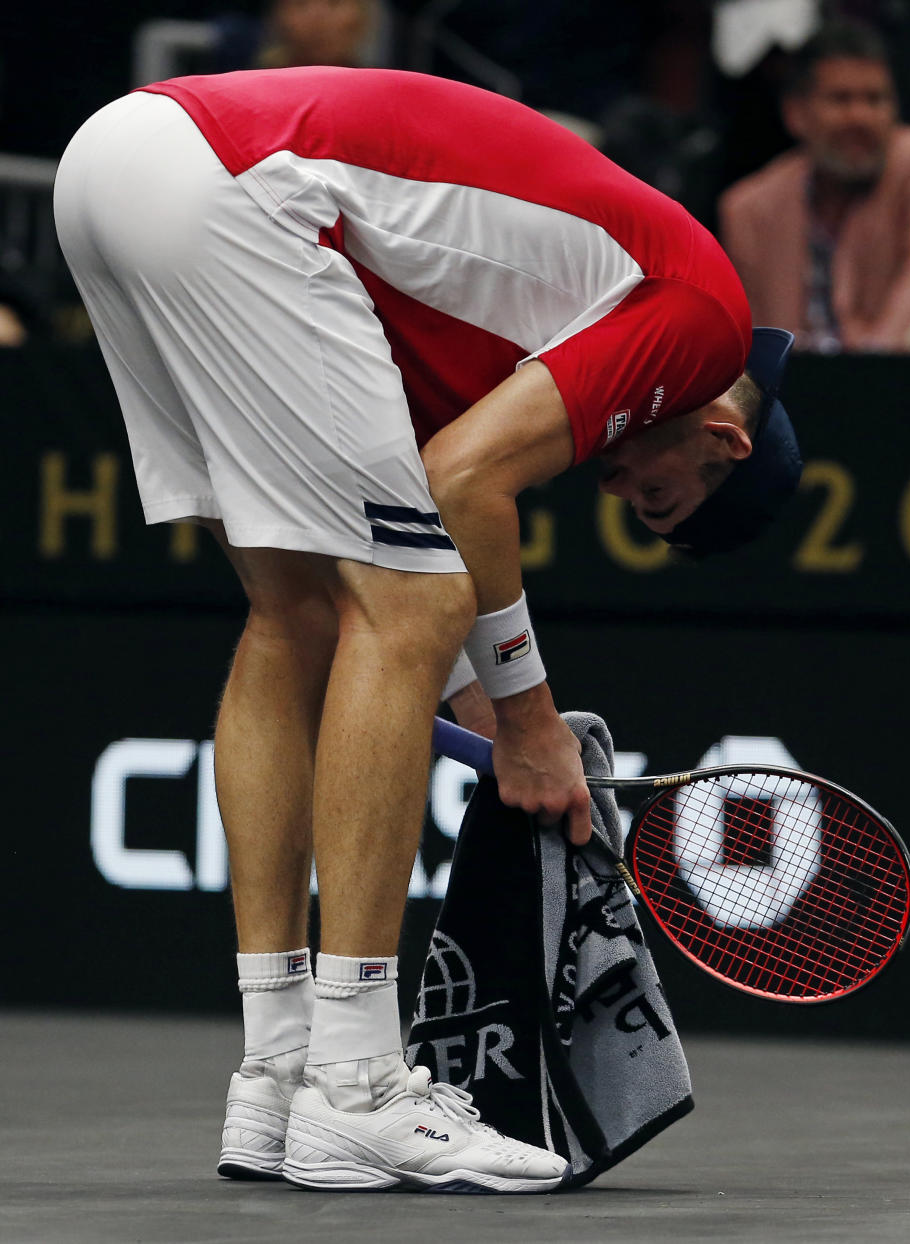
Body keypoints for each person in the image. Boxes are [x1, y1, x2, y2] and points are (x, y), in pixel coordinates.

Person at [53, 66, 799, 1194]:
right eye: (657, 496)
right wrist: (528, 719)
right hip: (237, 187)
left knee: (297, 612)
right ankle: (357, 1083)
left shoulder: (500, 335)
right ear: (724, 443)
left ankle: (280, 1063)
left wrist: (476, 705)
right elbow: (459, 491)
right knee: (407, 601)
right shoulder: (703, 327)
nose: (616, 489)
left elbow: (411, 509)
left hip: (116, 161)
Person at [719, 18, 910, 353]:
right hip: (797, 396)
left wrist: (879, 363)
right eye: (841, 100)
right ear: (796, 113)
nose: (860, 117)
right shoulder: (751, 208)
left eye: (875, 99)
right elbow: (751, 343)